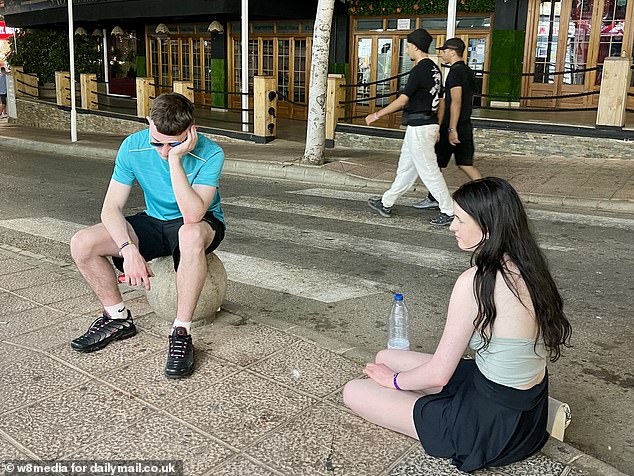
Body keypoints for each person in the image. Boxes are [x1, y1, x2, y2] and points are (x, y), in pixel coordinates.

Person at [344, 177, 572, 472]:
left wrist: (394, 382)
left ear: (487, 228)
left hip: (485, 426)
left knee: (354, 390)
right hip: (526, 414)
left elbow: (439, 374)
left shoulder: (475, 282)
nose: (452, 226)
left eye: (459, 219)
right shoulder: (530, 266)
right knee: (386, 357)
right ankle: (414, 400)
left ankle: (422, 407)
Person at [69, 93, 226, 379]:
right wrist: (128, 249)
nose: (164, 151)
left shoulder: (211, 153)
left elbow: (193, 214)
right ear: (147, 123)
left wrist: (176, 160)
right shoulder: (132, 146)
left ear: (192, 131)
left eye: (174, 143)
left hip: (200, 223)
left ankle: (181, 332)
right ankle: (117, 318)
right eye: (157, 143)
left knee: (189, 233)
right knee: (83, 243)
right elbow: (111, 208)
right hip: (154, 221)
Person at [365, 29, 454, 226]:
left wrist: (377, 114)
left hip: (421, 127)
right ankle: (386, 202)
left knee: (429, 171)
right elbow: (441, 101)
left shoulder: (420, 69)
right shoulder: (435, 70)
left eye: (407, 46)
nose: (407, 50)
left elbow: (403, 100)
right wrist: (437, 126)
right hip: (423, 125)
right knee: (406, 168)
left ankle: (449, 211)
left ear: (414, 46)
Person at [414, 38, 482, 211]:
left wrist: (451, 128)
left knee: (435, 164)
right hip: (465, 123)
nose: (442, 53)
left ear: (453, 52)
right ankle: (487, 194)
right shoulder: (467, 71)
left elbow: (456, 102)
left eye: (444, 51)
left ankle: (434, 198)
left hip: (453, 126)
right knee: (465, 163)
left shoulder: (456, 72)